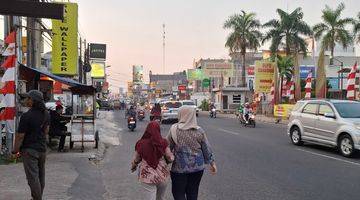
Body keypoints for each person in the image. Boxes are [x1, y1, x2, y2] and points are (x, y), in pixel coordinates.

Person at [167, 106, 217, 200]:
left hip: (179, 169)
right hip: (197, 169)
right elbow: (206, 148)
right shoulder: (199, 131)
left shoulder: (174, 129)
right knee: (193, 193)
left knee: (178, 193)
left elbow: (167, 148)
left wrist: (165, 163)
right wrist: (212, 163)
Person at [12, 90, 50, 200]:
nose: (26, 100)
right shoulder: (46, 114)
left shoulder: (26, 116)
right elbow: (46, 131)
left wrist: (15, 151)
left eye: (28, 98)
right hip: (42, 149)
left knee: (32, 177)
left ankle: (37, 198)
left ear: (33, 101)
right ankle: (37, 197)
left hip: (29, 150)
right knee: (40, 176)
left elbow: (20, 136)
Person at [131, 122, 174, 200]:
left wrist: (134, 165)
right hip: (162, 174)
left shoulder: (141, 143)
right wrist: (171, 159)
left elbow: (136, 159)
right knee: (160, 198)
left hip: (147, 176)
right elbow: (169, 157)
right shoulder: (164, 142)